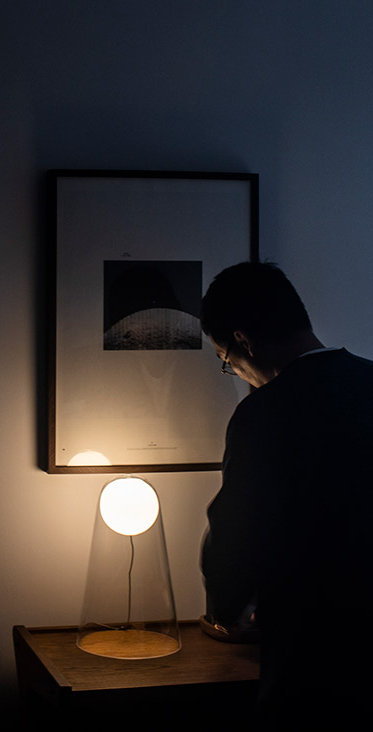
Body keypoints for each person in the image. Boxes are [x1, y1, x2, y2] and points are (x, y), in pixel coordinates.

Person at [199, 261, 373, 729]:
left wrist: (227, 609)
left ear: (243, 341)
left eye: (226, 362)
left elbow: (234, 536)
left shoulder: (264, 415)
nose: (235, 373)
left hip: (312, 662)